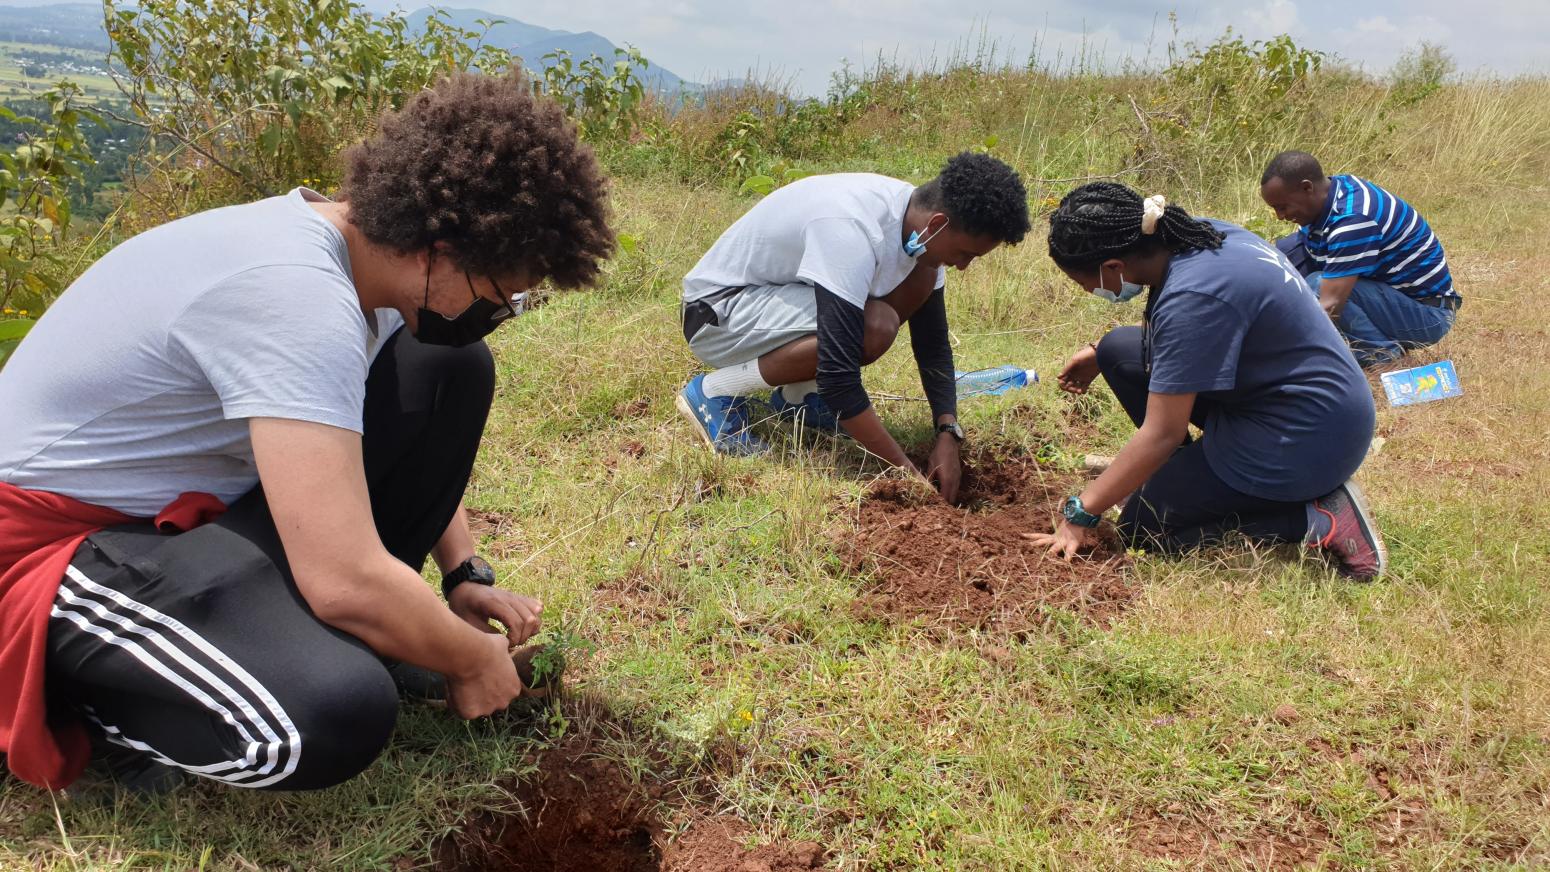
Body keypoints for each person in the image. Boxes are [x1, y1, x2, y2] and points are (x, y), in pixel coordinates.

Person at [0, 73, 615, 793]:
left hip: (173, 520)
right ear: (440, 249)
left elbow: (360, 441)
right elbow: (342, 578)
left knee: (446, 368)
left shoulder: (361, 264)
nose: (503, 311)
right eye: (499, 294)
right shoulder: (293, 295)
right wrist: (473, 660)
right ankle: (94, 702)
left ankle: (332, 637)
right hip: (47, 548)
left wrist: (463, 574)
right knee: (327, 715)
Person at [1028, 182, 1386, 580]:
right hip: (1300, 400)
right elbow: (1175, 327)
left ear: (1114, 266)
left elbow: (1163, 432)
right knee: (1118, 349)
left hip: (1305, 437)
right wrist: (1099, 353)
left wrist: (1083, 511)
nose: (1090, 292)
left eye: (1086, 284)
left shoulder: (1194, 296)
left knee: (1144, 529)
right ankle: (1187, 480)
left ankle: (1317, 518)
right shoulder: (1193, 235)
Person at [676, 152, 1030, 503]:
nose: (964, 266)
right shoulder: (852, 228)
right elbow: (838, 377)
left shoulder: (917, 224)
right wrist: (908, 475)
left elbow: (933, 344)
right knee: (871, 328)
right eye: (966, 253)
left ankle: (799, 399)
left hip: (771, 302)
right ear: (937, 223)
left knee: (907, 289)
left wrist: (948, 431)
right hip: (717, 315)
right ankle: (714, 391)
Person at [1259, 150, 1462, 367]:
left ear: (1307, 188)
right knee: (1286, 263)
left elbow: (1329, 305)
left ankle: (1381, 355)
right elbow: (1286, 264)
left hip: (1428, 316)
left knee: (1317, 287)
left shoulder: (1353, 219)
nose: (1280, 216)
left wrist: (1282, 355)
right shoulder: (1332, 193)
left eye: (1283, 207)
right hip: (1392, 298)